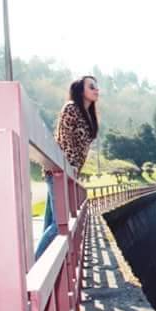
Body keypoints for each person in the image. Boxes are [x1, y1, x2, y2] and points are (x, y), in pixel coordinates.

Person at [35, 76, 100, 259]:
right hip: (58, 173)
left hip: (68, 174)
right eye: (92, 87)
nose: (97, 90)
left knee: (51, 223)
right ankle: (32, 271)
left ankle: (43, 268)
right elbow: (66, 145)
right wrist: (70, 174)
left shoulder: (89, 116)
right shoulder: (71, 108)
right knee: (59, 225)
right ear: (81, 91)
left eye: (97, 87)